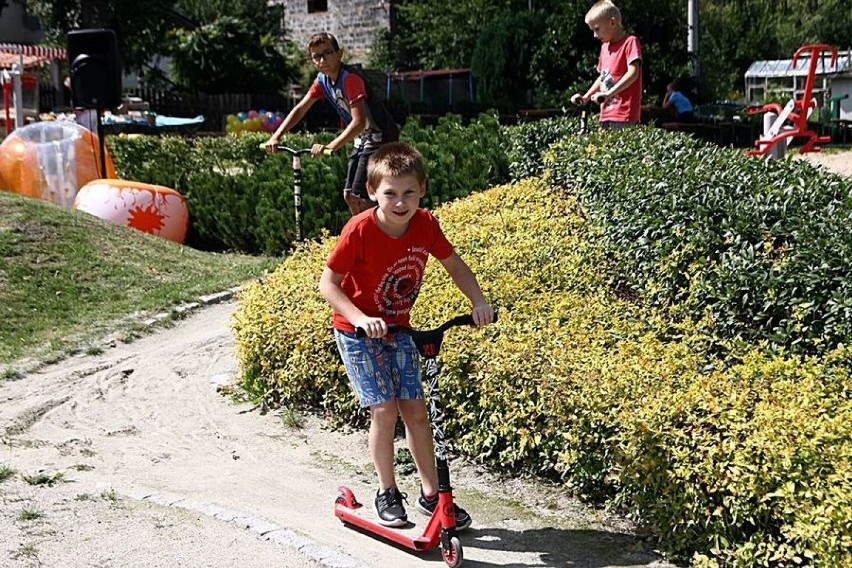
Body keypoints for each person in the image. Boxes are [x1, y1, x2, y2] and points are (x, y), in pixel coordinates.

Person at [318, 142, 494, 528]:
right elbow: (328, 284)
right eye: (390, 194)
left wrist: (479, 301)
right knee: (384, 408)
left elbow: (455, 266)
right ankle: (387, 491)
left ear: (422, 189)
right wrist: (361, 318)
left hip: (398, 328)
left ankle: (432, 495)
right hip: (357, 331)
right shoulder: (360, 230)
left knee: (415, 409)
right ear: (372, 193)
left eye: (408, 193)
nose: (400, 202)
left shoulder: (426, 224)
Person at [264, 32, 399, 216]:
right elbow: (300, 109)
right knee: (349, 196)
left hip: (380, 136)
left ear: (339, 53)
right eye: (316, 56)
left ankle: (373, 235)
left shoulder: (350, 78)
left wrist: (330, 146)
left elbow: (359, 122)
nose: (322, 60)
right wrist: (276, 136)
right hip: (362, 138)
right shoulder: (322, 81)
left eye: (327, 53)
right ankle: (359, 234)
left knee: (362, 196)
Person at [570, 1, 643, 129]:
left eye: (597, 29)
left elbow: (633, 73)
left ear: (612, 23)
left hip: (624, 114)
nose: (595, 35)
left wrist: (608, 93)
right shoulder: (604, 48)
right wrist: (586, 97)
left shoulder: (630, 42)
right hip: (606, 114)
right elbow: (603, 77)